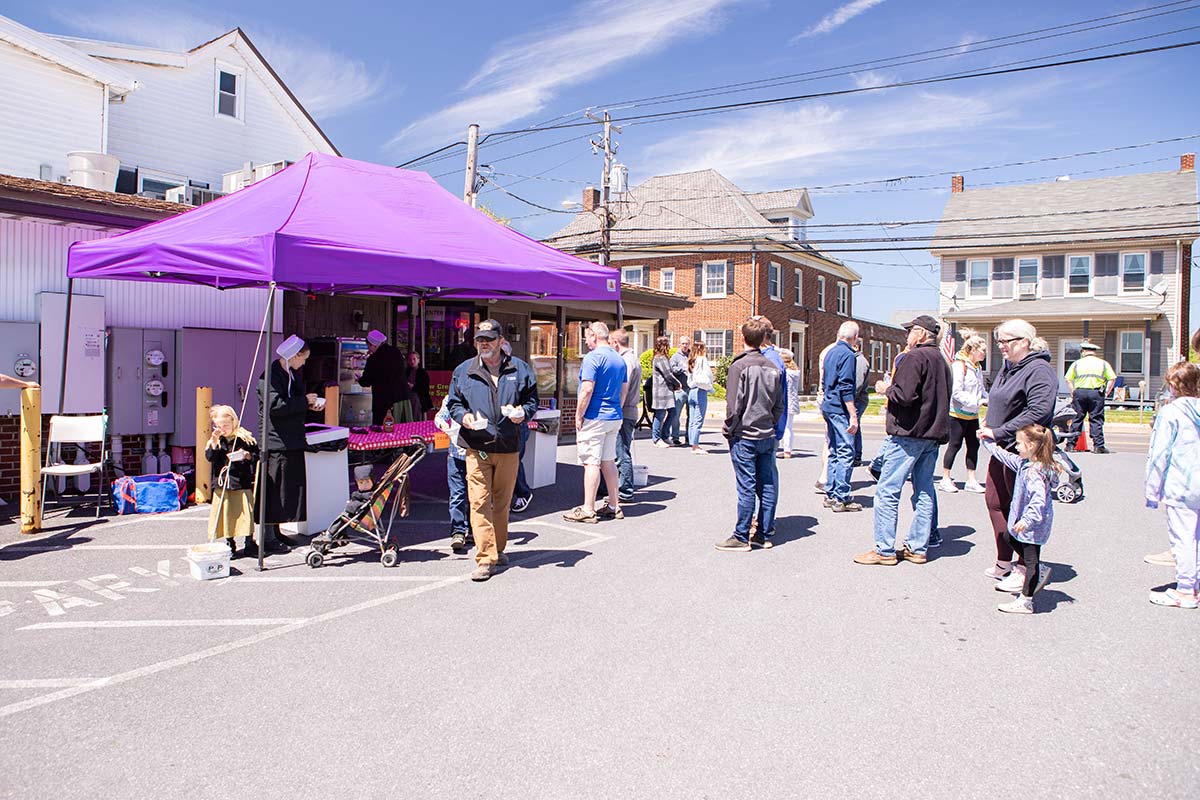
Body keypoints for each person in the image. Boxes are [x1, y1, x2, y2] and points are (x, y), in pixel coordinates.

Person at [445, 319, 538, 582]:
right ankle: (485, 558)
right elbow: (454, 403)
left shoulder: (519, 369)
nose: (483, 343)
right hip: (477, 447)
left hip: (509, 446)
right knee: (478, 501)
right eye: (479, 340)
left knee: (502, 503)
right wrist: (463, 417)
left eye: (488, 339)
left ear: (500, 341)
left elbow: (531, 400)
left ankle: (497, 547)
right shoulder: (464, 370)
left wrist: (524, 413)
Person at [855, 315, 950, 566]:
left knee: (888, 490)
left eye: (909, 331)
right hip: (932, 435)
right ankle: (918, 546)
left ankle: (884, 549)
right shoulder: (942, 360)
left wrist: (885, 388)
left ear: (920, 333)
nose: (907, 335)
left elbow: (905, 396)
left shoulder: (914, 357)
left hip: (909, 434)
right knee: (924, 490)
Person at [978, 319, 1058, 581]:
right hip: (1001, 448)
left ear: (1025, 342)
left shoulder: (1039, 370)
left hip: (1024, 452)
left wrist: (1000, 431)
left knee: (1023, 509)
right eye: (999, 340)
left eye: (1007, 340)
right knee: (995, 502)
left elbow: (1039, 411)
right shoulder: (1008, 367)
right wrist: (990, 422)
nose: (1001, 345)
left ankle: (1026, 568)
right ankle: (1004, 561)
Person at [715, 317, 784, 551]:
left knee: (746, 486)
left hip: (745, 434)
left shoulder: (739, 366)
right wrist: (771, 423)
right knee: (766, 485)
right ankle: (763, 532)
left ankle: (741, 535)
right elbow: (778, 405)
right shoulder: (773, 367)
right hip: (766, 432)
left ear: (743, 338)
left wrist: (729, 428)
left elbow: (734, 404)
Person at [980, 426, 1058, 612]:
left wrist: (1027, 520)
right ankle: (1038, 570)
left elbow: (1038, 501)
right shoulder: (1024, 464)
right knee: (1008, 537)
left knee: (1031, 563)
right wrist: (986, 441)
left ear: (1031, 446)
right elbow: (1003, 456)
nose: (1015, 447)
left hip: (1032, 526)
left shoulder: (1035, 473)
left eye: (1019, 443)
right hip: (1022, 524)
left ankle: (1026, 601)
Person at [255, 335, 320, 555]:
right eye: (303, 358)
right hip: (276, 441)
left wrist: (309, 405)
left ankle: (278, 530)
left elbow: (291, 402)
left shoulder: (291, 374)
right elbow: (276, 406)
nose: (304, 363)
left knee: (286, 490)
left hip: (290, 439)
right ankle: (268, 536)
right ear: (294, 355)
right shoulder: (270, 376)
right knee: (274, 490)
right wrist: (305, 402)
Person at [1143, 361, 1200, 609]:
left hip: (1181, 483)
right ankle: (1194, 584)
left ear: (1174, 386)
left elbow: (1159, 454)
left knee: (1183, 537)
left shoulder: (1171, 412)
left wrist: (1152, 490)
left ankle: (1186, 589)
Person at [564, 322, 628, 523]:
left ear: (593, 336)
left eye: (586, 337)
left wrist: (578, 415)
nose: (585, 341)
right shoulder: (619, 359)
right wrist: (618, 407)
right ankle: (614, 505)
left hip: (595, 416)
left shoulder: (593, 358)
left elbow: (587, 389)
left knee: (590, 461)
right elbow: (624, 388)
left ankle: (588, 508)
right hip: (614, 415)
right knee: (608, 461)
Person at [204, 405, 258, 557]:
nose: (222, 429)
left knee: (246, 514)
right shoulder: (217, 440)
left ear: (233, 421)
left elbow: (256, 456)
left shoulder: (244, 437)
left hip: (241, 482)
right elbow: (210, 458)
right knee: (226, 515)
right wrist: (214, 441)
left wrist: (246, 455)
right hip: (223, 484)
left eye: (225, 425)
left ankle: (249, 542)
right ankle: (230, 542)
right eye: (218, 426)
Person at [820, 322, 862, 512]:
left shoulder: (830, 352)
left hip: (828, 405)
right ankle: (841, 497)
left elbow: (825, 380)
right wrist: (853, 415)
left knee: (835, 450)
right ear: (855, 337)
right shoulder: (848, 355)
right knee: (846, 450)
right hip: (839, 408)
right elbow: (846, 386)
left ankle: (831, 493)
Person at [941, 331, 988, 494]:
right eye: (982, 350)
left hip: (972, 414)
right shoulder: (959, 365)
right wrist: (976, 402)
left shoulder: (977, 367)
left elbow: (981, 389)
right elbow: (956, 392)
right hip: (957, 413)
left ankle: (971, 479)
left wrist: (988, 399)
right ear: (973, 350)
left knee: (973, 445)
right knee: (954, 445)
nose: (985, 353)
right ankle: (946, 478)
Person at [434, 395, 471, 553]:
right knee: (457, 494)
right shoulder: (451, 397)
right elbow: (440, 416)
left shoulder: (480, 393)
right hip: (455, 453)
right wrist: (442, 423)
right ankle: (458, 531)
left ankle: (476, 530)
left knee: (478, 495)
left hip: (477, 455)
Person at [1064, 341, 1116, 454]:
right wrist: (1106, 392)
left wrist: (1073, 392)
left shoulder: (1076, 363)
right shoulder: (1103, 364)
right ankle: (1098, 446)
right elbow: (1112, 378)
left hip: (1080, 392)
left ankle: (1071, 445)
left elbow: (1068, 378)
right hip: (1096, 393)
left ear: (1083, 352)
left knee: (1077, 418)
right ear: (1094, 352)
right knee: (1096, 419)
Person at [611, 328, 642, 501]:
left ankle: (625, 490)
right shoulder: (630, 358)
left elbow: (624, 387)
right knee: (618, 450)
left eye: (610, 343)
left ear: (616, 343)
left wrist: (617, 411)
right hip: (628, 409)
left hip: (625, 410)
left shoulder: (627, 361)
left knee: (621, 451)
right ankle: (616, 487)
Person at [357, 330, 411, 425]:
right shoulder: (396, 352)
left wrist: (359, 379)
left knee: (385, 429)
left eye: (369, 346)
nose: (369, 349)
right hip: (403, 398)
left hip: (384, 401)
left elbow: (366, 381)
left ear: (374, 344)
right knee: (404, 428)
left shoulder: (373, 359)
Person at [650, 336, 680, 448]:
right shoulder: (660, 358)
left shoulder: (663, 358)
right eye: (667, 344)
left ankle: (665, 435)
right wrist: (678, 384)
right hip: (661, 391)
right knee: (660, 414)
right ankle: (656, 439)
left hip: (667, 390)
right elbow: (668, 375)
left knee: (672, 412)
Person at [686, 340, 714, 454]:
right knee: (698, 420)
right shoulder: (702, 359)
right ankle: (695, 446)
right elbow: (707, 375)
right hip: (700, 390)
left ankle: (692, 442)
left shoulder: (690, 360)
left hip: (691, 391)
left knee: (692, 420)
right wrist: (710, 387)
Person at [668, 336, 691, 446]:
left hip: (691, 388)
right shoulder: (675, 357)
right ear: (679, 344)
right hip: (680, 389)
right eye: (683, 344)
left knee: (691, 414)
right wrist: (683, 369)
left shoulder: (692, 356)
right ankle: (675, 437)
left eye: (686, 344)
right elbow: (672, 370)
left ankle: (689, 437)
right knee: (676, 414)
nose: (685, 346)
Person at [778, 350, 800, 458]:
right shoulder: (795, 372)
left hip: (784, 401)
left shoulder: (785, 373)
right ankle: (788, 449)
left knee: (782, 426)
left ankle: (784, 449)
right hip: (793, 401)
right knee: (789, 427)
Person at [852, 343, 871, 466]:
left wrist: (849, 399)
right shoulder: (855, 360)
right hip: (857, 399)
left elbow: (857, 384)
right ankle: (856, 455)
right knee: (855, 427)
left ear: (856, 347)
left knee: (854, 426)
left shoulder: (860, 361)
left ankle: (856, 456)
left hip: (858, 400)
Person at [407, 351, 433, 420]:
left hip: (419, 399)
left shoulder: (423, 373)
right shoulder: (406, 371)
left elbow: (425, 388)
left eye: (414, 359)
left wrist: (413, 387)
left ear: (418, 360)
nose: (412, 361)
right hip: (408, 398)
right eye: (410, 359)